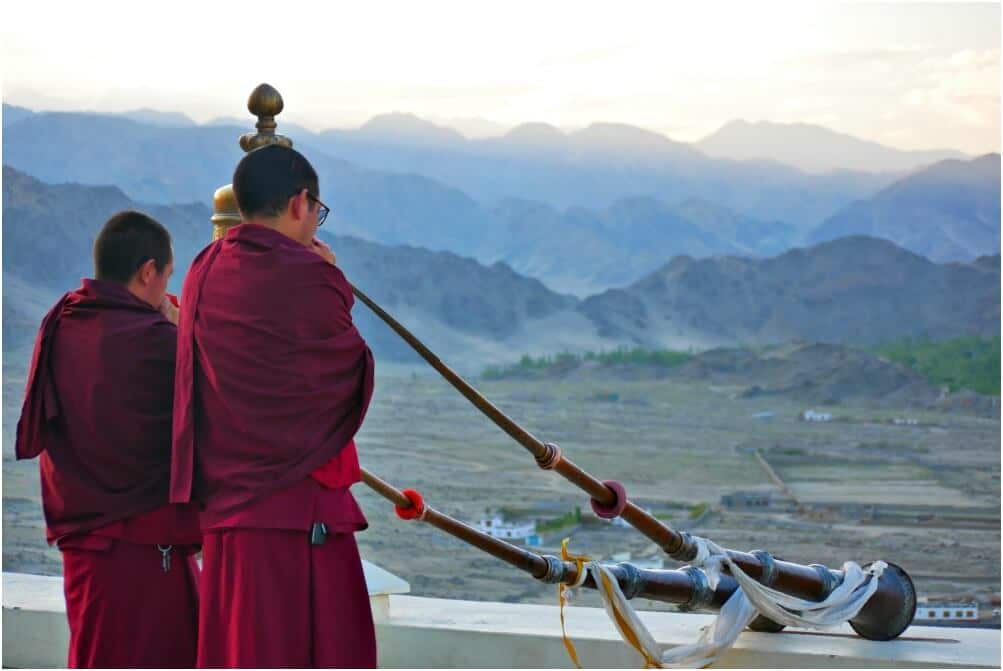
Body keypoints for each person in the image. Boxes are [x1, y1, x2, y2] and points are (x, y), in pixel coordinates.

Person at [170, 144, 377, 668]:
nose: (315, 225)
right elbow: (347, 372)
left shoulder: (203, 268)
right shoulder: (312, 275)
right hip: (300, 514)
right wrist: (334, 282)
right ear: (299, 203)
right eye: (316, 213)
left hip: (227, 514)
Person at [15, 210, 202, 668]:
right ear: (148, 272)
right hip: (146, 551)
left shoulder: (62, 322)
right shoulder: (161, 342)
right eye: (167, 276)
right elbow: (223, 402)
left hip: (86, 549)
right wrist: (184, 331)